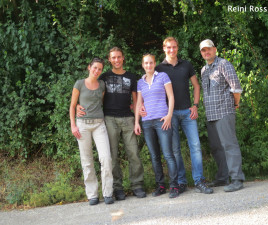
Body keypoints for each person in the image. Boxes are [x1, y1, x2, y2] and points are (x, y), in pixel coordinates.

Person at [141, 37, 213, 194]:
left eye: (174, 47)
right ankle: (181, 182)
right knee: (175, 150)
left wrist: (195, 105)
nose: (171, 50)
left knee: (195, 146)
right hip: (168, 115)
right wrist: (141, 107)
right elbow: (149, 91)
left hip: (187, 112)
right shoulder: (158, 68)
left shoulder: (186, 65)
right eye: (168, 47)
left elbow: (196, 85)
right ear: (164, 48)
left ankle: (199, 180)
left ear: (177, 48)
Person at [77, 47, 146, 200]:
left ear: (123, 58)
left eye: (119, 57)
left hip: (128, 118)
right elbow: (93, 97)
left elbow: (136, 102)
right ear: (110, 59)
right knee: (112, 156)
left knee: (133, 153)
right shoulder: (104, 77)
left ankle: (137, 185)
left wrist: (137, 121)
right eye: (113, 57)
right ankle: (117, 188)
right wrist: (77, 106)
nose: (116, 60)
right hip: (109, 119)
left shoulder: (131, 77)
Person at [199, 39, 245, 192]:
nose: (207, 52)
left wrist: (235, 104)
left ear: (215, 49)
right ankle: (222, 178)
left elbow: (236, 88)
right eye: (203, 50)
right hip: (211, 114)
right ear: (201, 53)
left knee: (229, 145)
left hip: (224, 111)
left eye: (209, 49)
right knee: (216, 147)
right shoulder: (204, 70)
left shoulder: (224, 64)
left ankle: (237, 179)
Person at [69, 58, 114, 205]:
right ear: (89, 67)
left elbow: (100, 102)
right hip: (82, 125)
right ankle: (92, 194)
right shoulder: (79, 84)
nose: (97, 71)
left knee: (106, 158)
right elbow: (73, 105)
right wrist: (73, 125)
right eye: (95, 68)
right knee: (87, 160)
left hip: (99, 125)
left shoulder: (102, 85)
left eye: (100, 69)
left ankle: (108, 193)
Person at [134, 54, 179, 198]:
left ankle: (174, 186)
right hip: (147, 123)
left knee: (168, 154)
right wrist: (137, 122)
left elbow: (171, 96)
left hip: (162, 121)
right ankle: (160, 186)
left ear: (154, 64)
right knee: (154, 156)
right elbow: (139, 103)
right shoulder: (140, 82)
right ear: (143, 65)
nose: (148, 65)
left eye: (151, 63)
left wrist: (169, 116)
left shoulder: (163, 76)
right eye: (146, 63)